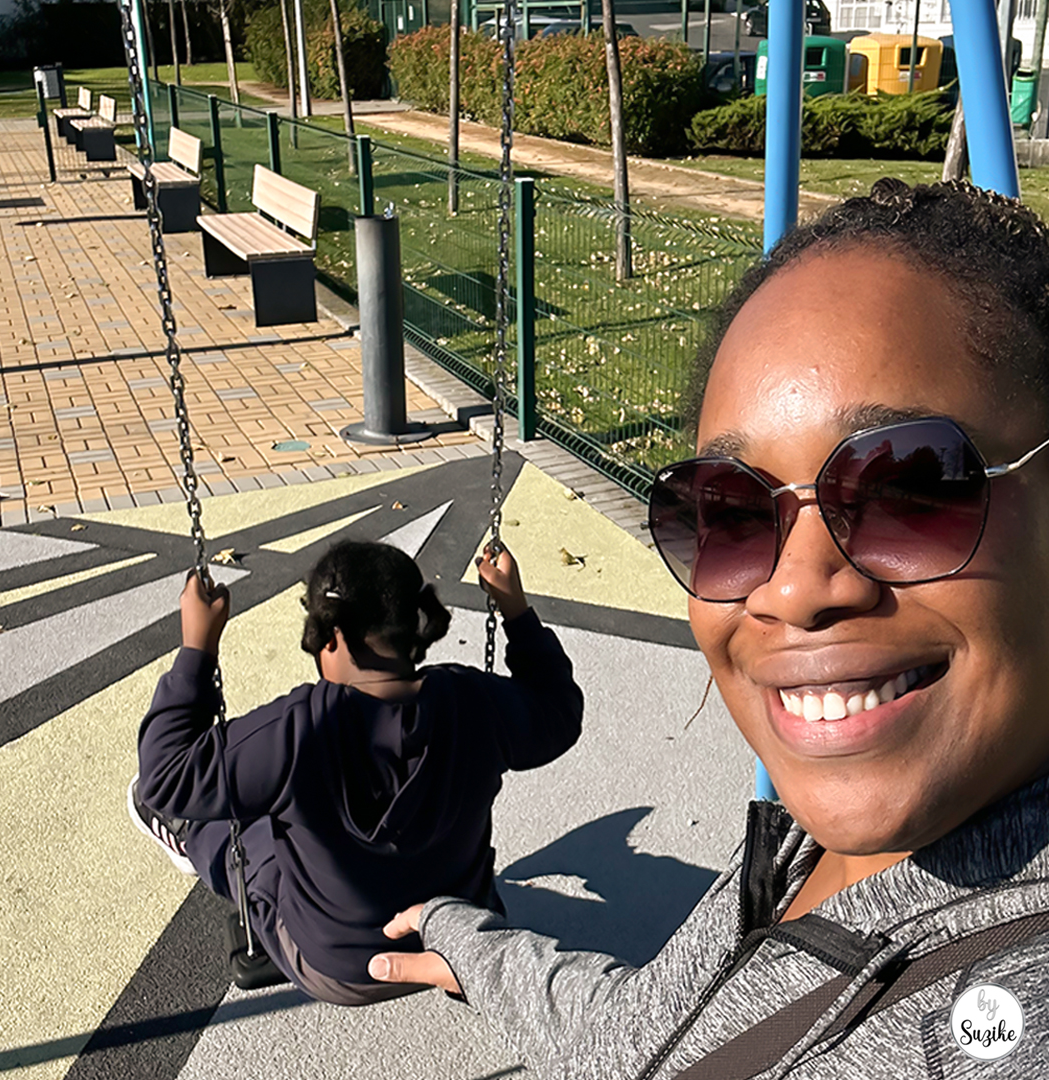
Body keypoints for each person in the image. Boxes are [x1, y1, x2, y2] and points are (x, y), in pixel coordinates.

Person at [365, 180, 1049, 1076]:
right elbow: (645, 1031)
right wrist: (474, 947)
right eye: (727, 512)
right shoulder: (801, 851)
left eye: (907, 488)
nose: (794, 590)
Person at [129, 539, 583, 1006]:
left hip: (342, 969)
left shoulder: (300, 727)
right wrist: (516, 610)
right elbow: (561, 713)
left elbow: (165, 776)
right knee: (275, 797)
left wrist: (196, 649)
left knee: (236, 828)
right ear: (415, 630)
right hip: (459, 942)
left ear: (330, 637)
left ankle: (192, 842)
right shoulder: (475, 702)